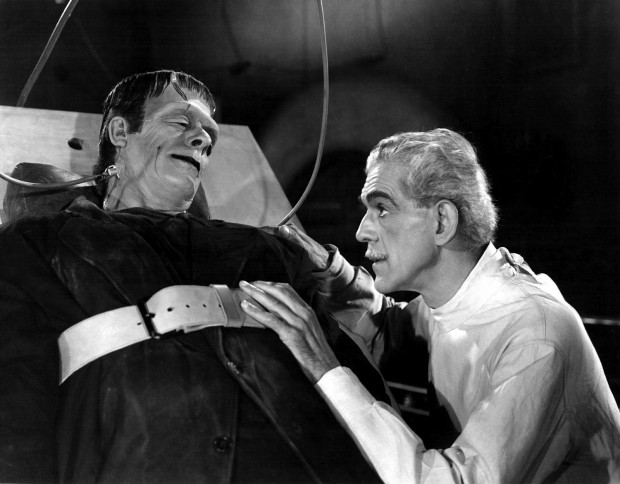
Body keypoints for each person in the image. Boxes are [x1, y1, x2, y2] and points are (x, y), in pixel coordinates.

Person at [0, 69, 393, 483]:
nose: (202, 139)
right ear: (120, 131)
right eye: (180, 121)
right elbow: (12, 409)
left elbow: (358, 382)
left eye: (209, 135)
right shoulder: (38, 243)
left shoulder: (269, 251)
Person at [239, 128, 620, 483]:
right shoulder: (462, 296)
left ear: (441, 221)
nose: (361, 231)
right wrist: (329, 269)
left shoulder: (536, 334)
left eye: (382, 208)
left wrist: (324, 368)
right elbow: (390, 327)